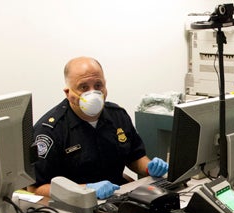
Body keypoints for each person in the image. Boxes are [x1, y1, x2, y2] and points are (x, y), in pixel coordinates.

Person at [30, 57, 168, 199]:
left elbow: (135, 157)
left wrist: (149, 167)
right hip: (77, 206)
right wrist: (85, 190)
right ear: (68, 93)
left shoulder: (118, 116)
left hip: (117, 197)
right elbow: (36, 188)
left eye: (98, 85)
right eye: (84, 87)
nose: (93, 93)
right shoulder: (50, 130)